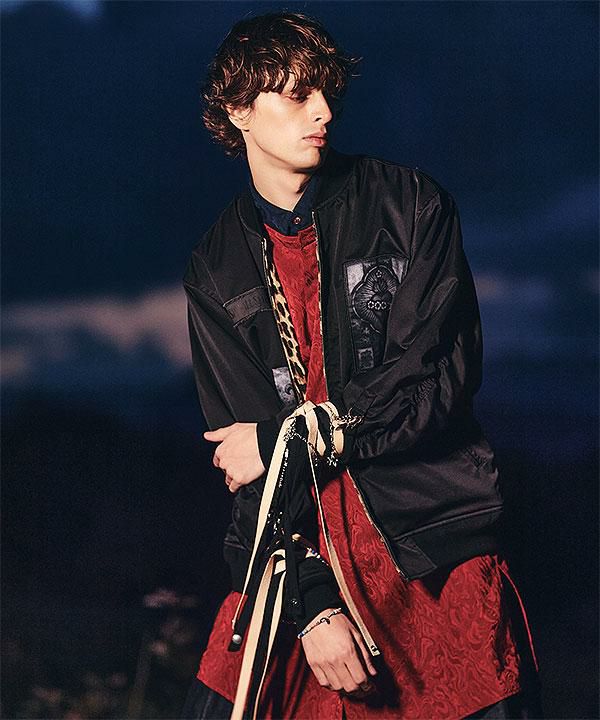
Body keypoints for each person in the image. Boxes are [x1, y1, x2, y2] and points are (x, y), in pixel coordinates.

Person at [181, 11, 543, 720]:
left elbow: (437, 382)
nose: (322, 111)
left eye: (326, 91)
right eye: (296, 95)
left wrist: (290, 439)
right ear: (238, 112)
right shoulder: (215, 267)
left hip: (430, 548)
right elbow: (245, 467)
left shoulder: (411, 206)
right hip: (297, 561)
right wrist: (312, 606)